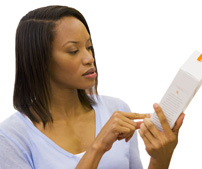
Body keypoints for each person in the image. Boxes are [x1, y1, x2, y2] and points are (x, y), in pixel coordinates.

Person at [0, 5, 185, 169]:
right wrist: (97, 147)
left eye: (89, 47)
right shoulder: (12, 137)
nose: (89, 58)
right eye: (73, 51)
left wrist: (161, 158)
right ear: (39, 61)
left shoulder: (117, 110)